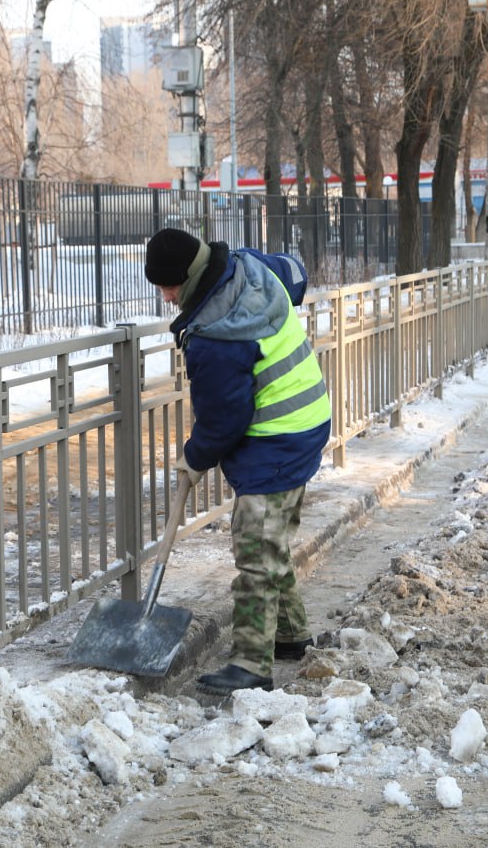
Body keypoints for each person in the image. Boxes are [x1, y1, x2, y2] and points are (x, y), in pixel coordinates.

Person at [144, 228, 332, 696]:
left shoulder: (217, 337)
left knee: (254, 549)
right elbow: (294, 273)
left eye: (168, 287)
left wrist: (194, 457)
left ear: (188, 276)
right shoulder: (245, 266)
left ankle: (251, 664)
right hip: (307, 417)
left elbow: (225, 419)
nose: (167, 298)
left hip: (278, 436)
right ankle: (290, 635)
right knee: (271, 540)